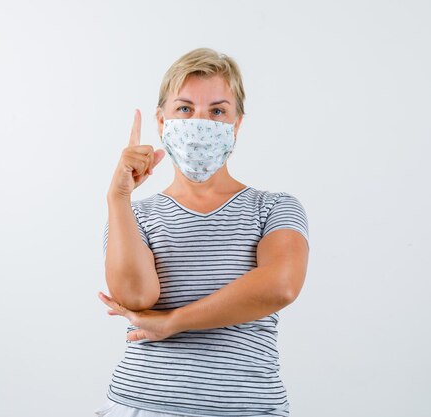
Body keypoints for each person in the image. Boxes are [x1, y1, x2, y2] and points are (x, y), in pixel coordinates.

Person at [95, 48, 310, 417]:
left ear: (236, 123)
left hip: (248, 408)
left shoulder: (273, 207)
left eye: (217, 111)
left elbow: (280, 287)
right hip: (140, 405)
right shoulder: (135, 216)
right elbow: (135, 297)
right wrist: (118, 197)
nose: (200, 121)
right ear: (161, 122)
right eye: (184, 108)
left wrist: (174, 322)